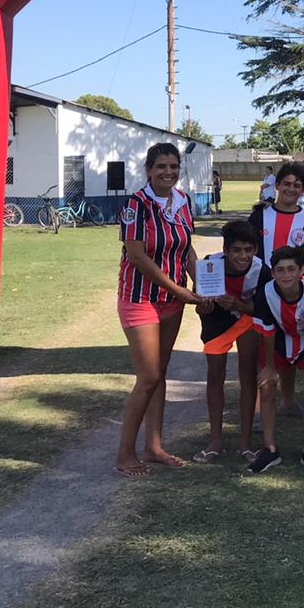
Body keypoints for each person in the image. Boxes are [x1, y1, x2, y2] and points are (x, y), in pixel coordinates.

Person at [114, 142, 199, 477]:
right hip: (140, 299)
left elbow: (187, 250)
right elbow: (137, 256)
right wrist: (179, 289)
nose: (168, 172)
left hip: (171, 302)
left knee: (159, 374)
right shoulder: (136, 205)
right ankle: (125, 454)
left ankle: (154, 446)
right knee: (148, 376)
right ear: (148, 170)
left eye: (173, 166)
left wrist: (202, 285)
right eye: (161, 166)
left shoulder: (183, 202)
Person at [247, 246, 304, 475]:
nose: (286, 275)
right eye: (280, 270)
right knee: (266, 386)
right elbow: (266, 332)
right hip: (278, 341)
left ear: (301, 271)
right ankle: (270, 449)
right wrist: (269, 367)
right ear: (273, 272)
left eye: (291, 269)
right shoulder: (265, 293)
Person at [193, 220, 264, 464]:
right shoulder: (209, 265)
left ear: (255, 250)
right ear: (225, 250)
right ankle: (215, 441)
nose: (243, 256)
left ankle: (246, 443)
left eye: (248, 250)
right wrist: (203, 307)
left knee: (248, 376)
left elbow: (262, 309)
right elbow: (199, 306)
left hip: (247, 319)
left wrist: (239, 305)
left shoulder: (261, 269)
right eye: (236, 250)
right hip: (216, 322)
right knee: (215, 377)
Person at [249, 161, 304, 416]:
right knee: (261, 348)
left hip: (294, 294)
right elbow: (247, 251)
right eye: (286, 184)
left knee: (289, 343)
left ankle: (287, 401)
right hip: (262, 292)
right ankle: (258, 408)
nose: (291, 189)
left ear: (303, 189)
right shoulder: (260, 215)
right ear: (276, 185)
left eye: (297, 185)